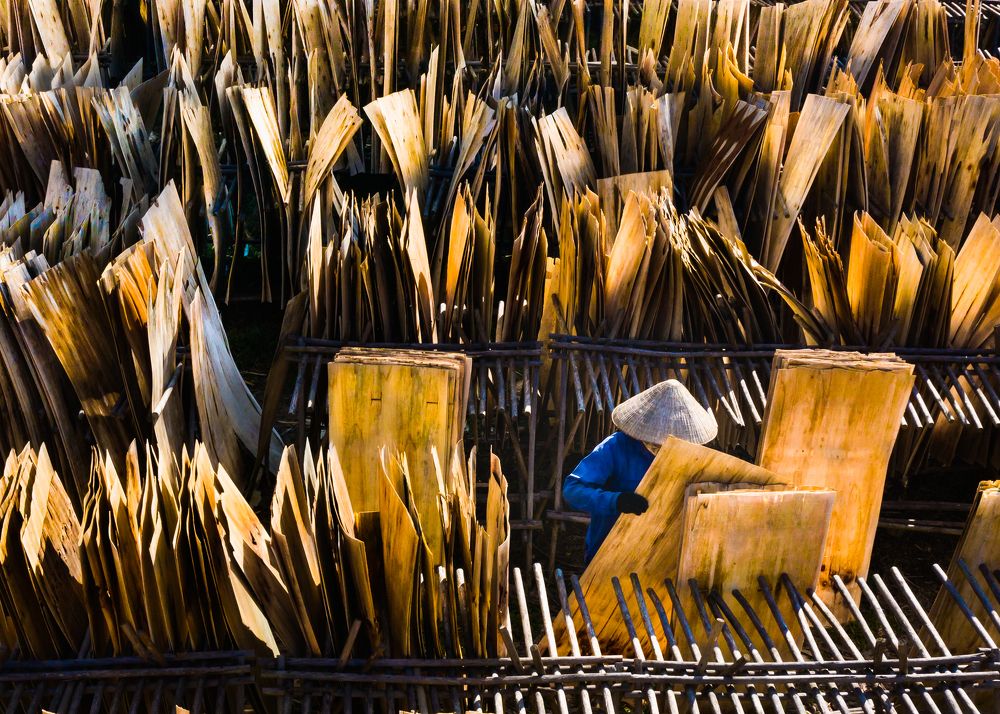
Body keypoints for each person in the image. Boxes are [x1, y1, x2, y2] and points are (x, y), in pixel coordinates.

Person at [563, 379, 718, 564]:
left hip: (661, 553)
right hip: (609, 551)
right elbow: (573, 489)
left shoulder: (689, 454)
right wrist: (616, 500)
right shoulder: (616, 446)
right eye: (657, 444)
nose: (662, 448)